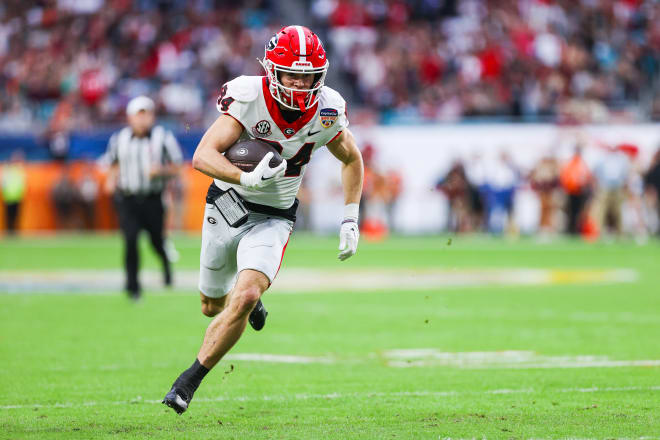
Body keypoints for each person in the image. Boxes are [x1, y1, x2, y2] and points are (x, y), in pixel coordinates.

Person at [162, 25, 364, 415]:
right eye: (292, 74)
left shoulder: (328, 109)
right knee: (211, 305)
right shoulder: (248, 95)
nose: (301, 84)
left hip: (275, 215)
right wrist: (243, 176)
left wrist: (350, 219)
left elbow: (352, 158)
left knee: (248, 293)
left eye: (308, 75)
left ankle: (188, 381)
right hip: (229, 202)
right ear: (272, 71)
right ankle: (246, 304)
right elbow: (203, 155)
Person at [100, 96, 183, 300]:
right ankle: (132, 287)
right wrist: (110, 180)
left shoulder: (163, 137)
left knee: (156, 240)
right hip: (128, 198)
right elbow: (113, 163)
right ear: (130, 117)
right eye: (139, 114)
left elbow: (177, 167)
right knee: (130, 240)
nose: (143, 119)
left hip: (153, 198)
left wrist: (161, 171)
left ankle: (166, 267)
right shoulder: (118, 139)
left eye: (146, 114)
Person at [1, 150, 27, 235]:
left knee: (16, 216)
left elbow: (22, 184)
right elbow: (3, 184)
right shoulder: (8, 170)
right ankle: (9, 231)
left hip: (17, 197)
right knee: (9, 216)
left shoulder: (18, 170)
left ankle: (14, 231)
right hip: (9, 197)